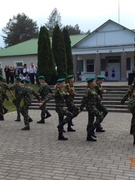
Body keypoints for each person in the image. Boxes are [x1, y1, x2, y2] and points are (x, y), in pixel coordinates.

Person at [80, 77, 103, 141]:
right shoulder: (88, 90)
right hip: (90, 107)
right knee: (100, 116)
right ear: (90, 83)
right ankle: (91, 130)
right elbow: (84, 99)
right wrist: (81, 108)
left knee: (90, 121)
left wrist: (98, 97)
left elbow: (96, 97)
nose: (95, 82)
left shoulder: (93, 89)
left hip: (93, 106)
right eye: (93, 82)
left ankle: (89, 136)